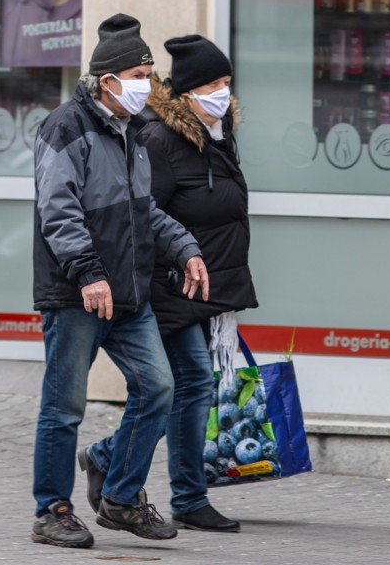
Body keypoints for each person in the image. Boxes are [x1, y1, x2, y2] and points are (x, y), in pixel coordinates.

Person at [30, 14, 211, 549]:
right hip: (77, 294)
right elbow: (57, 212)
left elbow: (144, 212)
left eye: (149, 75)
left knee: (158, 388)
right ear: (107, 80)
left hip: (128, 293)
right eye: (137, 74)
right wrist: (88, 274)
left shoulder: (131, 132)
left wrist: (184, 248)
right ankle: (52, 510)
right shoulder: (65, 127)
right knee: (64, 407)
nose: (146, 86)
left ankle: (121, 498)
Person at [79, 35, 258, 533]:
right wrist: (179, 262)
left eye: (226, 83)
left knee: (187, 387)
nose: (224, 93)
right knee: (190, 383)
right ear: (187, 91)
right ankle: (184, 494)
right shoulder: (160, 139)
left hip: (203, 283)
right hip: (169, 284)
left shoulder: (214, 133)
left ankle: (109, 458)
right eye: (213, 85)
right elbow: (143, 214)